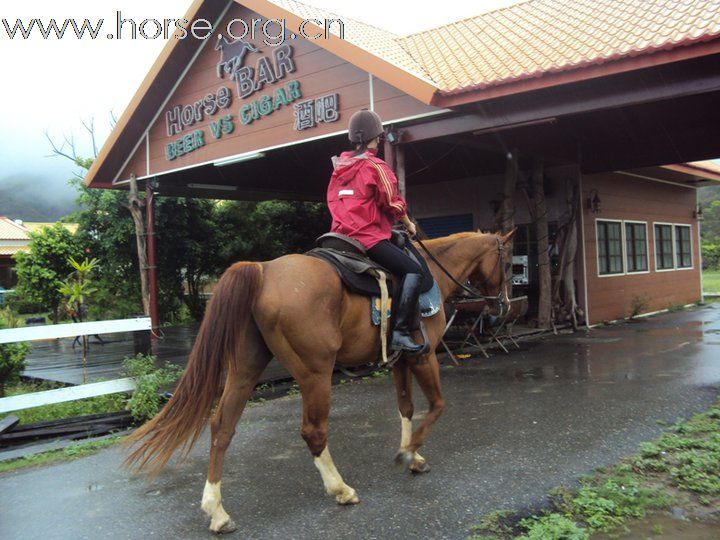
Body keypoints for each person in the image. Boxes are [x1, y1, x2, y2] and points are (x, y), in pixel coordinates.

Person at [327, 109, 423, 354]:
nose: (380, 142)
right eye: (379, 138)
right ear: (375, 138)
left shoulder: (339, 167)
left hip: (338, 237)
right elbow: (392, 203)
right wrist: (409, 224)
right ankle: (400, 333)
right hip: (367, 238)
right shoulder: (374, 165)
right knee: (413, 270)